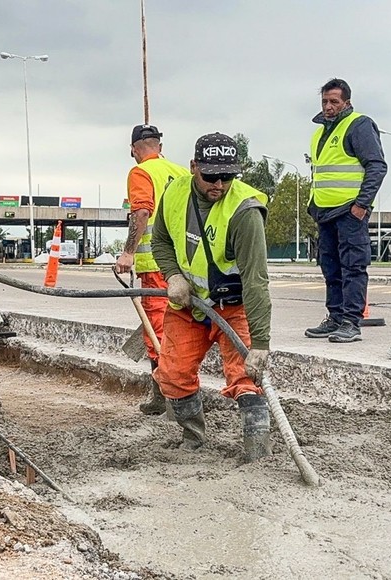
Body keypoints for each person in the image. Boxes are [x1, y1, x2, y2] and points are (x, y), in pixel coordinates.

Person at [151, 133, 271, 460]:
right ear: (193, 168)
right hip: (189, 305)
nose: (219, 184)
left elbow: (256, 279)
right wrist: (173, 275)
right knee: (172, 375)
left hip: (234, 307)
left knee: (246, 377)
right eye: (211, 176)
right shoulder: (175, 193)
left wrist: (260, 344)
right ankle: (193, 438)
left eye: (228, 176)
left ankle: (257, 451)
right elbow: (160, 240)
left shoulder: (244, 211)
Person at [305, 78, 388, 343]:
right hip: (325, 213)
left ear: (347, 103)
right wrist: (313, 206)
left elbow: (377, 166)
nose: (328, 107)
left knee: (353, 267)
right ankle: (335, 317)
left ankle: (351, 322)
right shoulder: (320, 133)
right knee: (330, 268)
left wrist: (361, 205)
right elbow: (319, 173)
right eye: (325, 102)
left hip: (349, 212)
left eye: (334, 102)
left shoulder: (358, 125)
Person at [115, 124, 189, 415]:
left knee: (157, 330)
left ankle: (169, 398)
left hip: (157, 266)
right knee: (183, 327)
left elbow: (143, 211)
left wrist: (128, 252)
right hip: (184, 264)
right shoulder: (181, 172)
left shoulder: (140, 172)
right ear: (159, 145)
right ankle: (175, 393)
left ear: (134, 149)